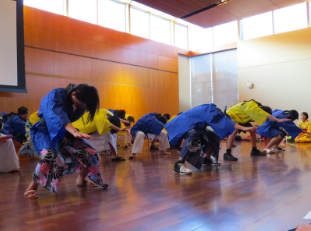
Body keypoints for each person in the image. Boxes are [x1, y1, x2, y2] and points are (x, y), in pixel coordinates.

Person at [24, 84, 108, 199]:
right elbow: (58, 115)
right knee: (48, 154)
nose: (82, 106)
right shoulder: (56, 94)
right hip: (44, 130)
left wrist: (74, 132)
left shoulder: (79, 102)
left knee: (90, 152)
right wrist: (74, 132)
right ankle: (32, 187)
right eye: (80, 103)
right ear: (73, 94)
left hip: (63, 131)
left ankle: (81, 180)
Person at [165, 104, 256, 175]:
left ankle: (206, 158)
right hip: (181, 125)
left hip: (192, 126)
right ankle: (179, 164)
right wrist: (242, 128)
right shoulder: (210, 109)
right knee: (193, 134)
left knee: (213, 136)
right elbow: (223, 120)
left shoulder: (209, 110)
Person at [224, 100, 290, 161]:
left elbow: (263, 115)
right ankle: (227, 153)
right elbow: (265, 114)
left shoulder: (255, 107)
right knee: (234, 130)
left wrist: (277, 120)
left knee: (253, 129)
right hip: (231, 116)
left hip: (239, 118)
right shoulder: (253, 107)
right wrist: (278, 120)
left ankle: (254, 150)